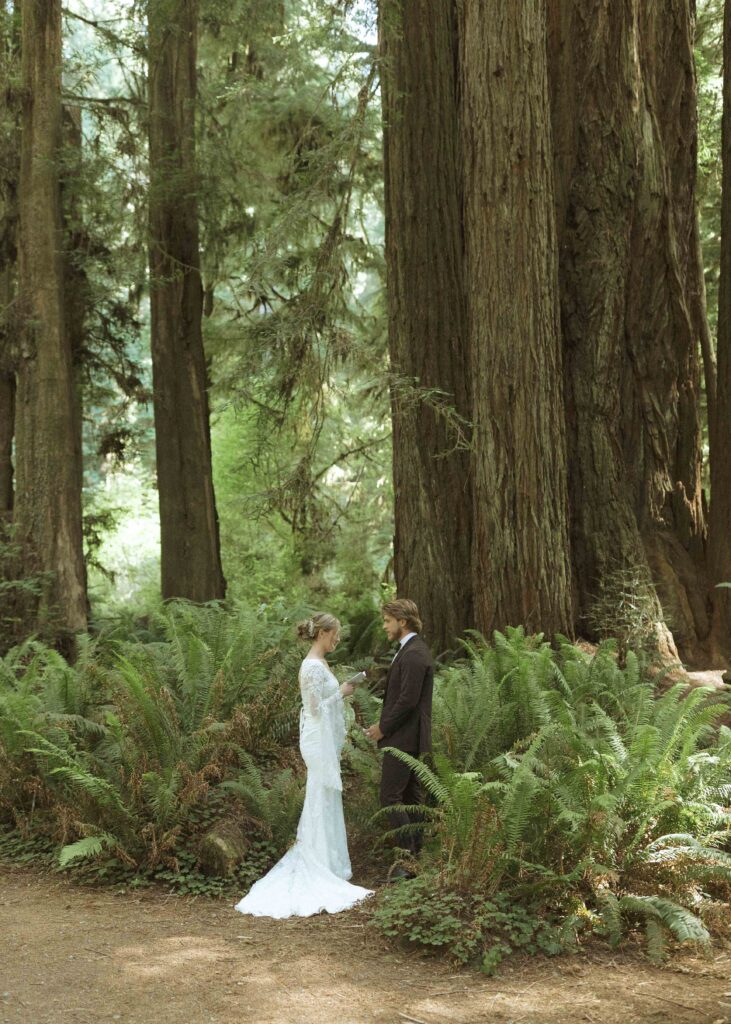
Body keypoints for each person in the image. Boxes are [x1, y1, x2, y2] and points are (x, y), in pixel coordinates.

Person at [234, 612, 373, 918]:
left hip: (322, 740)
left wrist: (340, 693)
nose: (338, 639)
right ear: (322, 633)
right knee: (319, 794)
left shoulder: (320, 663)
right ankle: (317, 861)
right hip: (315, 739)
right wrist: (342, 692)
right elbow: (313, 710)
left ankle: (329, 863)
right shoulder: (310, 666)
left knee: (325, 795)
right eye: (335, 633)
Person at [364, 599, 433, 879]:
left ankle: (407, 861)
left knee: (391, 796)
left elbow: (407, 701)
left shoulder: (415, 653)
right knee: (408, 797)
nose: (384, 626)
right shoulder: (409, 650)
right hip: (405, 735)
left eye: (387, 621)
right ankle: (414, 858)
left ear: (402, 622)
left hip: (404, 738)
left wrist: (383, 727)